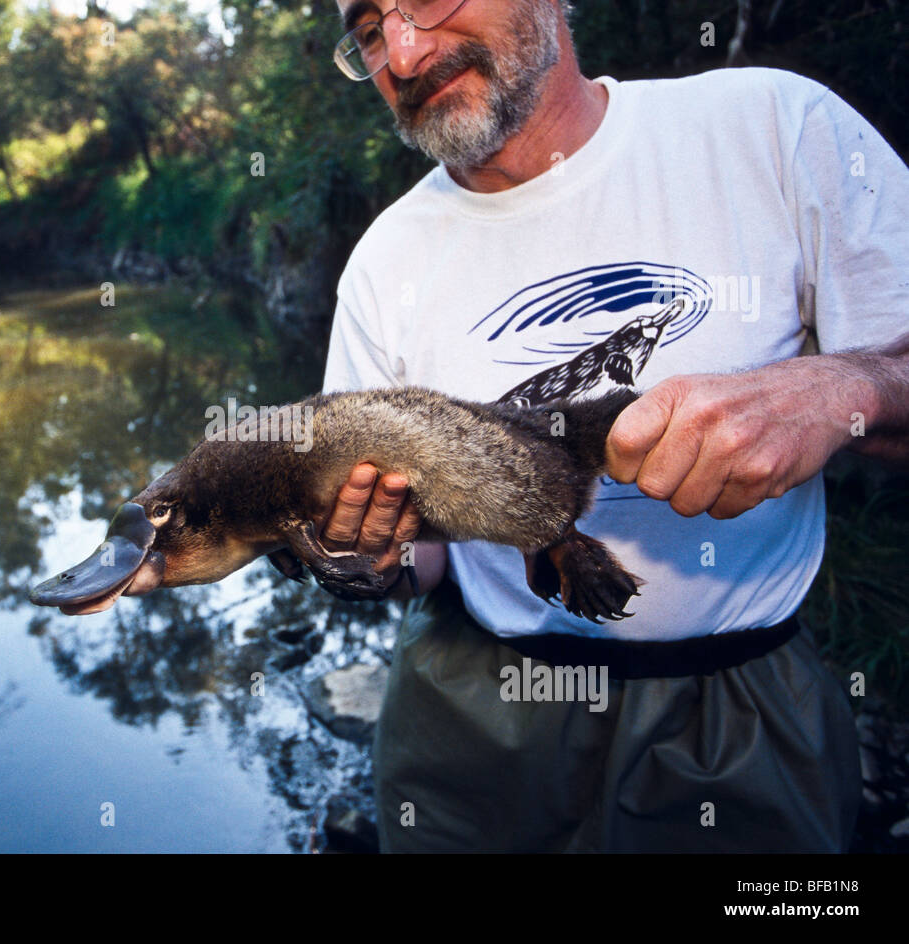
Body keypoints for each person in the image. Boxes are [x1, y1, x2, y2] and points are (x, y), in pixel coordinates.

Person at [315, 0, 909, 851]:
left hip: (742, 705)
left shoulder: (776, 127)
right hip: (473, 705)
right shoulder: (383, 259)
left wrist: (844, 386)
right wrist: (365, 560)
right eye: (370, 29)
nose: (403, 55)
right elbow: (420, 560)